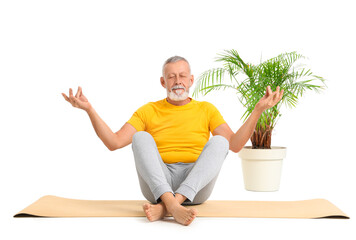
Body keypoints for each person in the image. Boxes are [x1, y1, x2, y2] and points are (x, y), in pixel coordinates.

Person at [62, 56, 283, 226]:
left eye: (182, 75)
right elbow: (114, 142)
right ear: (163, 81)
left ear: (191, 80)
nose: (178, 81)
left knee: (220, 142)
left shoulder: (206, 109)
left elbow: (234, 145)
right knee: (140, 137)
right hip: (158, 185)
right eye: (171, 76)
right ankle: (172, 203)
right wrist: (89, 110)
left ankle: (167, 207)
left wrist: (258, 110)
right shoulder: (148, 110)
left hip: (196, 187)